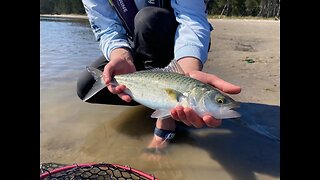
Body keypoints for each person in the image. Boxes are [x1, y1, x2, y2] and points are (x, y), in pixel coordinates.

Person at [77, 0, 241, 153]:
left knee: (149, 20)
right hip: (136, 45)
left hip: (173, 41)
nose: (223, 103)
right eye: (220, 101)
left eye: (220, 101)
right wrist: (120, 56)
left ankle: (166, 121)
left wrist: (188, 68)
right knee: (86, 86)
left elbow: (192, 18)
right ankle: (152, 98)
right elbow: (106, 28)